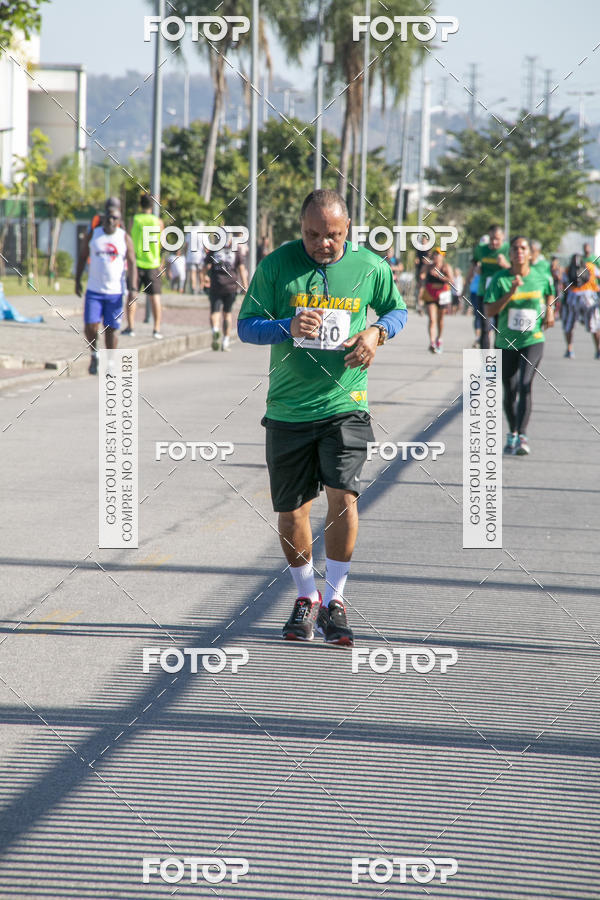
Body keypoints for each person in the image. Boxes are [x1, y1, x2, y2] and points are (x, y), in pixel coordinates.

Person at [237, 189, 407, 646]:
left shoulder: (370, 267)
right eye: (313, 235)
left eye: (332, 235)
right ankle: (306, 597)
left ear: (347, 229)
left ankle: (336, 599)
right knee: (292, 512)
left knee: (343, 498)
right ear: (301, 227)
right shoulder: (277, 265)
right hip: (288, 409)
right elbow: (246, 325)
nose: (322, 244)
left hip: (344, 405)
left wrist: (376, 332)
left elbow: (397, 310)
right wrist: (285, 327)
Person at [484, 236, 555, 456]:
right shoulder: (499, 279)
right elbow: (490, 311)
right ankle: (513, 432)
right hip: (506, 342)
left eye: (523, 248)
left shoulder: (541, 276)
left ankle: (522, 435)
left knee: (525, 384)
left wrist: (550, 309)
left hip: (532, 340)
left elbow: (549, 291)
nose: (519, 252)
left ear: (531, 254)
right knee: (510, 390)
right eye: (515, 249)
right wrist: (511, 292)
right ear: (510, 254)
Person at [75, 203, 137, 375]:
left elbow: (132, 263)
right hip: (94, 291)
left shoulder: (124, 238)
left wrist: (133, 288)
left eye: (115, 218)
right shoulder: (94, 235)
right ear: (103, 218)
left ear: (119, 220)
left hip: (115, 292)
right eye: (108, 217)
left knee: (111, 329)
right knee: (90, 325)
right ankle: (95, 354)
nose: (111, 220)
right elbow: (82, 256)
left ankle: (110, 361)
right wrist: (77, 279)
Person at [125, 193, 164, 339]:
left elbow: (128, 239)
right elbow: (161, 243)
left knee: (132, 295)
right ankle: (156, 329)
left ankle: (131, 327)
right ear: (152, 205)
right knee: (155, 297)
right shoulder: (158, 222)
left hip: (136, 263)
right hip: (153, 263)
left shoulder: (134, 220)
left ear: (140, 204)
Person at [467, 226, 510, 349]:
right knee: (485, 328)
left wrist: (505, 265)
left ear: (503, 238)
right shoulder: (480, 249)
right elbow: (474, 263)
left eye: (497, 239)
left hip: (502, 294)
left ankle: (500, 359)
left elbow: (517, 271)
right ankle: (486, 362)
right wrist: (476, 269)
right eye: (491, 239)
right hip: (484, 293)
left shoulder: (508, 249)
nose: (494, 242)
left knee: (500, 329)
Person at [205, 235, 248, 351]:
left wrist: (204, 277)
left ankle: (215, 329)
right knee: (227, 314)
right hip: (231, 286)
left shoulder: (214, 248)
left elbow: (206, 265)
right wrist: (245, 286)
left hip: (216, 285)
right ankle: (225, 341)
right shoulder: (236, 250)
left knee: (215, 311)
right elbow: (241, 268)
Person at [562, 253, 600, 359]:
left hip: (572, 298)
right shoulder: (591, 266)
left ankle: (569, 350)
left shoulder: (568, 269)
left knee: (569, 324)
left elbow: (564, 285)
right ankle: (598, 349)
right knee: (594, 325)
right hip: (589, 298)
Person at [418, 248, 453, 353]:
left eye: (438, 255)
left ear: (442, 256)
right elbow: (421, 276)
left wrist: (439, 276)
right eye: (434, 254)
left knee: (440, 319)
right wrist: (422, 275)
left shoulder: (446, 267)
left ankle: (439, 338)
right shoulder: (428, 267)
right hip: (430, 294)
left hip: (443, 294)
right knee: (432, 319)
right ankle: (432, 342)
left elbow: (451, 280)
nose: (435, 257)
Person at [185, 226, 206, 295]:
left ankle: (193, 288)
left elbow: (186, 245)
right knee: (201, 273)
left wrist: (185, 254)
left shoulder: (189, 233)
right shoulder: (203, 234)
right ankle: (201, 288)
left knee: (192, 273)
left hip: (191, 256)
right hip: (200, 257)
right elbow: (206, 247)